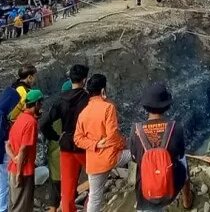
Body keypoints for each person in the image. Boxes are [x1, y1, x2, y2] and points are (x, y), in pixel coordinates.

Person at [130, 83, 193, 211]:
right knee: (183, 160)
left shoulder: (135, 130)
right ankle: (187, 200)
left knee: (139, 166)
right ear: (166, 106)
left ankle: (144, 206)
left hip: (146, 191)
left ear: (146, 107)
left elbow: (134, 158)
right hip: (171, 186)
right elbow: (180, 155)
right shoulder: (176, 128)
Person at [74, 74, 131, 212]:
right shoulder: (108, 108)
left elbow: (77, 139)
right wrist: (123, 144)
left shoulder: (83, 113)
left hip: (94, 162)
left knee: (94, 197)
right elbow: (113, 135)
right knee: (137, 153)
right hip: (111, 157)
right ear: (103, 90)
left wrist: (95, 144)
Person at [40, 65, 90, 212]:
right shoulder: (88, 99)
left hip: (66, 144)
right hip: (84, 145)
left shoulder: (60, 99)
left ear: (70, 79)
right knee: (95, 178)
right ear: (85, 80)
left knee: (67, 187)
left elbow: (43, 124)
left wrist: (56, 137)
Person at [6, 89, 43, 212]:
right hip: (24, 171)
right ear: (37, 104)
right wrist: (19, 174)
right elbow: (23, 150)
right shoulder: (31, 122)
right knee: (22, 206)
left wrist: (14, 159)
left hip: (13, 167)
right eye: (41, 103)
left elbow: (8, 145)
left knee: (14, 204)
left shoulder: (19, 118)